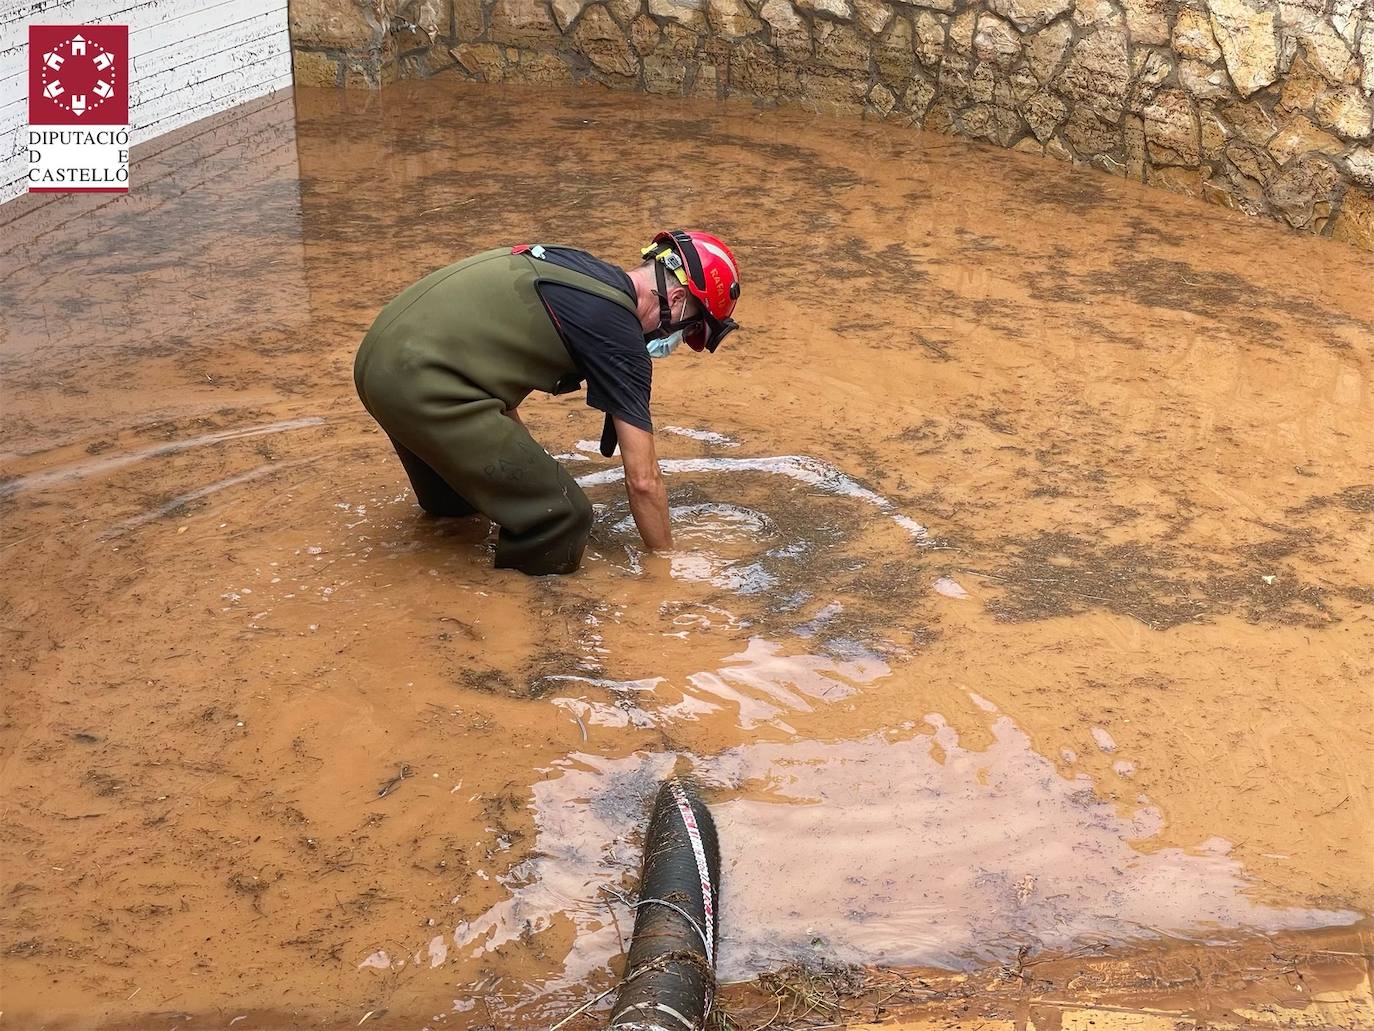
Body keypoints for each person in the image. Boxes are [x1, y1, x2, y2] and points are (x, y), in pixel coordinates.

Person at [353, 230, 741, 575]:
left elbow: (497, 380)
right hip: (422, 382)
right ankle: (523, 620)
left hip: (381, 364)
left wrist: (525, 463)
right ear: (674, 298)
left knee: (460, 510)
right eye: (690, 328)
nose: (678, 342)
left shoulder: (577, 268)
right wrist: (665, 562)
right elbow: (643, 479)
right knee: (563, 516)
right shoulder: (619, 338)